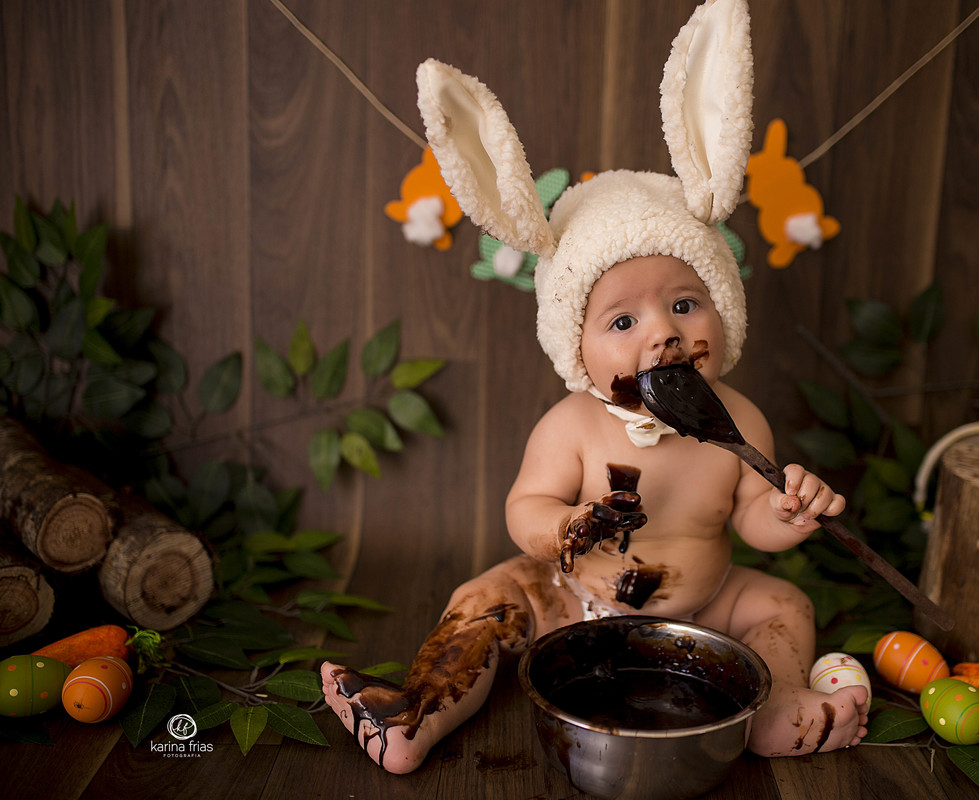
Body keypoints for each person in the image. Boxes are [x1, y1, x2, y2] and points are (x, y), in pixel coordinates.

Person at [320, 0, 869, 775]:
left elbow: (751, 520)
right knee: (483, 599)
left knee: (783, 604)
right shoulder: (571, 426)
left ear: (725, 309)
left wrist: (787, 513)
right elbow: (524, 511)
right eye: (622, 320)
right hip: (571, 597)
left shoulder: (738, 421)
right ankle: (419, 711)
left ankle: (775, 706)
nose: (663, 333)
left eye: (686, 304)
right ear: (574, 347)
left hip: (702, 606)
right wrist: (569, 527)